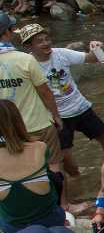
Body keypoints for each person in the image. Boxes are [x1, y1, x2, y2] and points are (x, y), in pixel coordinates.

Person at [17, 22, 104, 178]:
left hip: (80, 107)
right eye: (39, 41)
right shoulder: (27, 63)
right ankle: (79, 182)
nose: (46, 43)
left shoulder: (60, 53)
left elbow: (92, 58)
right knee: (65, 157)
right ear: (29, 46)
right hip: (57, 116)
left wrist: (96, 47)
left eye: (47, 39)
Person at [0, 13, 63, 175]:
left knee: (21, 168)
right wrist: (56, 116)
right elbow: (45, 92)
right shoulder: (25, 59)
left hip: (8, 128)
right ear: (7, 32)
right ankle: (62, 201)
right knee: (54, 163)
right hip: (38, 124)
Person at [0, 99, 63, 233]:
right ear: (18, 121)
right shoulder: (40, 148)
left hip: (13, 228)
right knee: (54, 176)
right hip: (51, 220)